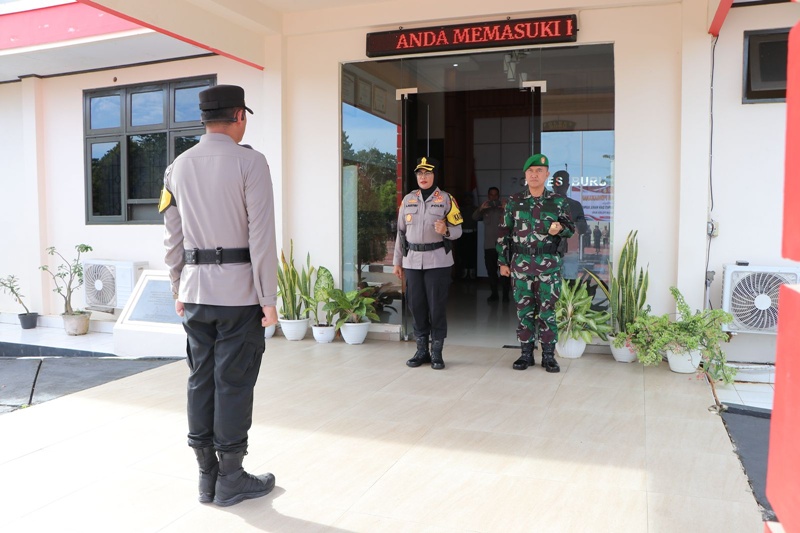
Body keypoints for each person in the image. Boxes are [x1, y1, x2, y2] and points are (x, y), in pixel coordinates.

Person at [161, 84, 278, 507]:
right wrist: (268, 298)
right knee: (233, 382)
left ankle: (206, 477)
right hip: (239, 295)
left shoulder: (176, 167)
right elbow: (261, 235)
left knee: (200, 379)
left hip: (195, 292)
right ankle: (231, 477)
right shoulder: (251, 162)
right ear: (239, 116)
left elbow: (172, 236)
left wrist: (178, 286)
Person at [498, 153, 575, 373]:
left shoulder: (558, 201)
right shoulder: (514, 201)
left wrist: (560, 228)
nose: (534, 175)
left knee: (547, 311)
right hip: (520, 264)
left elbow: (570, 228)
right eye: (530, 171)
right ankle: (525, 354)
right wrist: (502, 262)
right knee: (524, 311)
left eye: (539, 171)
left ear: (546, 174)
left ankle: (549, 356)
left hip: (548, 265)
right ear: (525, 175)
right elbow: (504, 232)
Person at [393, 157, 463, 370]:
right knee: (416, 305)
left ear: (435, 175)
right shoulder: (408, 200)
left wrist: (446, 230)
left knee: (436, 306)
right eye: (420, 173)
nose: (423, 177)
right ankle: (421, 350)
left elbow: (458, 230)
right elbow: (400, 233)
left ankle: (437, 353)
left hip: (438, 261)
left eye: (427, 173)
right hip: (412, 261)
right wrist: (397, 262)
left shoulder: (447, 199)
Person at [473, 186, 509, 302]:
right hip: (489, 246)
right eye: (491, 195)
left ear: (498, 196)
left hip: (503, 246)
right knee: (491, 271)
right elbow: (474, 217)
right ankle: (494, 294)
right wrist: (481, 208)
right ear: (488, 196)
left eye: (495, 195)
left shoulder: (503, 208)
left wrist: (506, 209)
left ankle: (505, 295)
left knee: (504, 272)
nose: (493, 197)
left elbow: (513, 221)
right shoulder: (485, 209)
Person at [551, 170, 589, 258]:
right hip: (560, 252)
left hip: (562, 252)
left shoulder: (542, 205)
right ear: (567, 186)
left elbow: (582, 228)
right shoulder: (575, 205)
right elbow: (583, 229)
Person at [456, 193, 478, 280]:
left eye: (470, 198)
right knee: (463, 253)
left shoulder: (476, 209)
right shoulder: (459, 209)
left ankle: (472, 271)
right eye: (466, 198)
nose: (468, 200)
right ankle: (464, 271)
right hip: (463, 234)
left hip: (473, 234)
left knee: (473, 253)